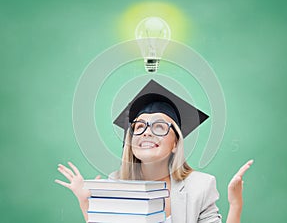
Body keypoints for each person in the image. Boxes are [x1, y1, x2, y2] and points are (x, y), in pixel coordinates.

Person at [55, 80, 253, 223]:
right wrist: (85, 201)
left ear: (175, 142)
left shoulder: (200, 186)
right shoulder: (116, 185)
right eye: (139, 126)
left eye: (159, 127)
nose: (147, 133)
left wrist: (236, 205)